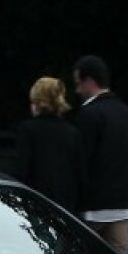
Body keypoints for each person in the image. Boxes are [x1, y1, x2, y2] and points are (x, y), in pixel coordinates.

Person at [71, 55, 128, 254]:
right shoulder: (125, 112)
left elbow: (82, 162)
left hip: (95, 206)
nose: (77, 90)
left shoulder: (89, 114)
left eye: (78, 83)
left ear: (89, 81)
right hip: (123, 204)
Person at [15, 76, 84, 215]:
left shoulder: (28, 130)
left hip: (37, 205)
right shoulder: (72, 132)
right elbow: (80, 174)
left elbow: (22, 171)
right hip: (66, 208)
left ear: (37, 102)